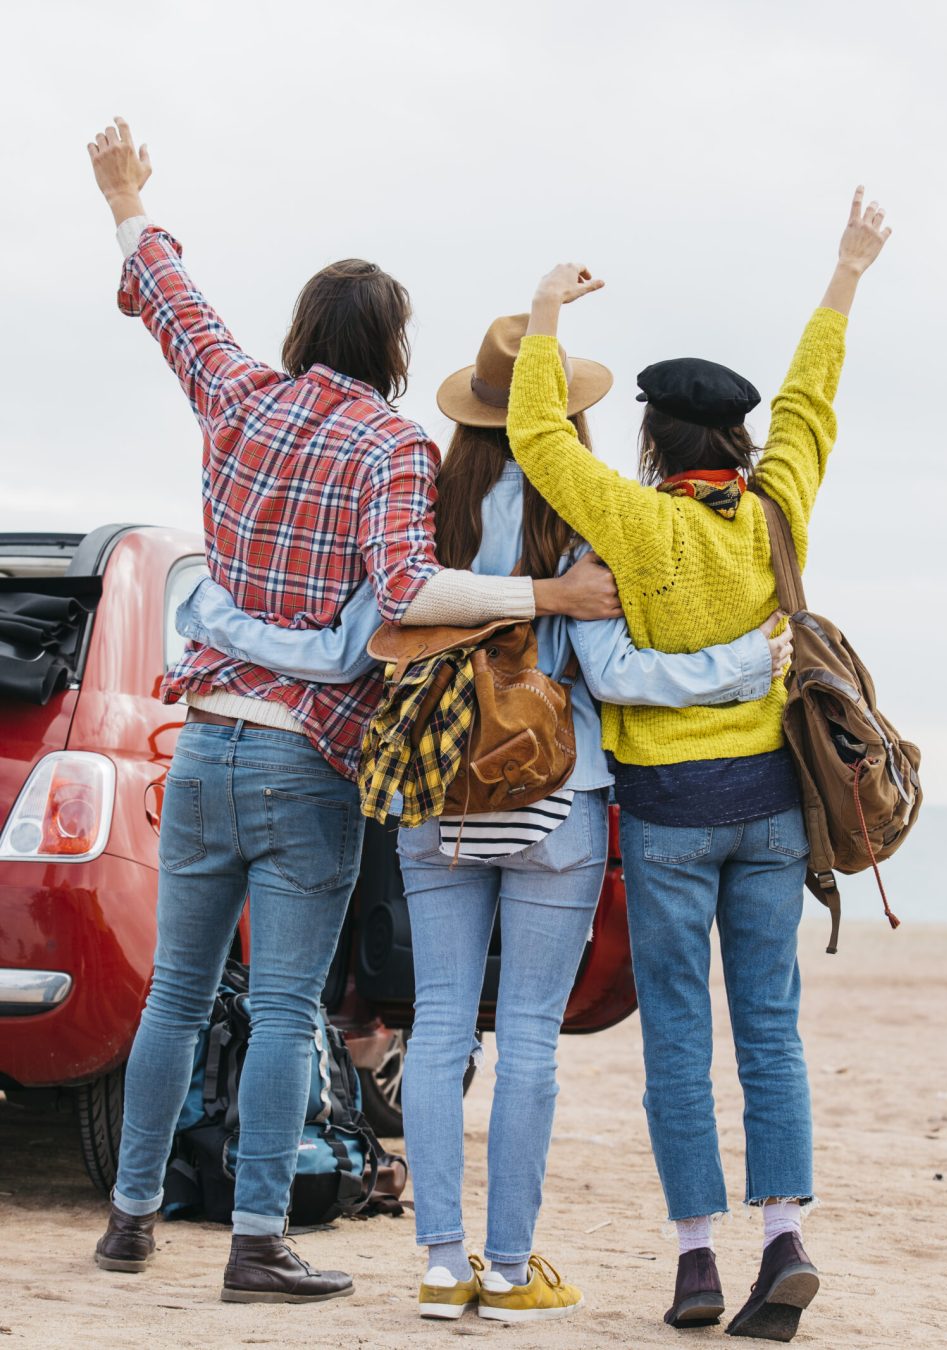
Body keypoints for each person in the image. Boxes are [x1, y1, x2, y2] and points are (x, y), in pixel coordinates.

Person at [84, 117, 620, 1305]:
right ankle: (256, 1238)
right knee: (281, 1007)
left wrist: (125, 199)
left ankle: (127, 1220)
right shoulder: (387, 443)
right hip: (303, 760)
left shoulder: (236, 395)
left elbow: (175, 304)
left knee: (176, 993)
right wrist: (548, 590)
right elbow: (410, 591)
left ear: (301, 334)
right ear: (390, 346)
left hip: (207, 735)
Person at [184, 312, 792, 1324]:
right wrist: (744, 663)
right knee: (531, 1041)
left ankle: (438, 1263)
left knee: (437, 1036)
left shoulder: (427, 501)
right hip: (556, 796)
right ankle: (508, 1271)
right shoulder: (583, 518)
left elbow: (385, 617)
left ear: (470, 415)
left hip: (439, 795)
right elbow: (614, 672)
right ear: (567, 421)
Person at [504, 189, 892, 1340]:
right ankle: (784, 1236)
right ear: (737, 440)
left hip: (667, 818)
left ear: (652, 441)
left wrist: (541, 316)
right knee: (768, 1026)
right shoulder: (777, 512)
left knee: (677, 1030)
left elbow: (532, 438)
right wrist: (847, 273)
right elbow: (814, 401)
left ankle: (695, 1265)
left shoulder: (632, 521)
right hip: (773, 810)